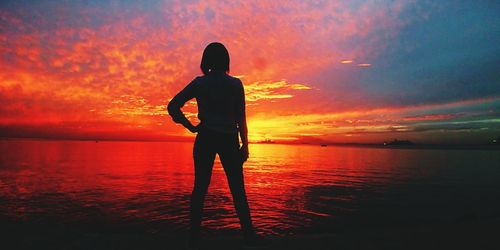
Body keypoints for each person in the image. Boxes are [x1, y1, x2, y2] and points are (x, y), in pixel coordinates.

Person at [167, 42, 270, 249]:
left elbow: (172, 106)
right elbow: (241, 117)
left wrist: (190, 126)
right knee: (238, 190)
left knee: (200, 189)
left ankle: (193, 238)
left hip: (205, 137)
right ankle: (249, 236)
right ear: (226, 60)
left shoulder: (199, 83)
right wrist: (245, 145)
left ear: (206, 61)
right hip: (229, 139)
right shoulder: (235, 84)